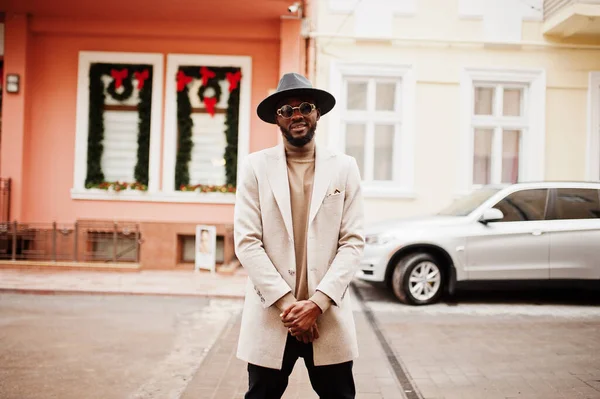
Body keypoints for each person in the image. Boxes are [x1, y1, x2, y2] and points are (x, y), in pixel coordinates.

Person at [234, 72, 365, 399]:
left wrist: (317, 305)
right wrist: (292, 307)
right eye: (286, 110)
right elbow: (247, 242)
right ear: (277, 120)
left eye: (305, 107)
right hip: (272, 314)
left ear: (317, 113)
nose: (296, 115)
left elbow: (352, 242)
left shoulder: (344, 168)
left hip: (327, 315)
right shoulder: (255, 167)